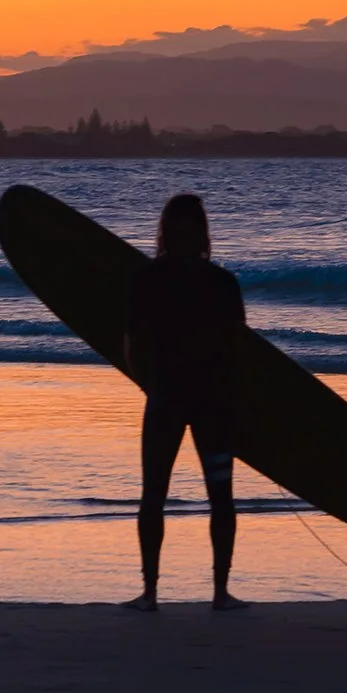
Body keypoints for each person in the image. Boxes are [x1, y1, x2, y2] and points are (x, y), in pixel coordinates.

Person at [124, 191, 246, 610]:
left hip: (167, 399)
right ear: (203, 231)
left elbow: (133, 345)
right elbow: (239, 350)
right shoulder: (222, 282)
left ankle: (150, 594)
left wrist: (150, 385)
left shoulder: (149, 278)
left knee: (154, 494)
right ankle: (220, 593)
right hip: (214, 401)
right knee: (220, 496)